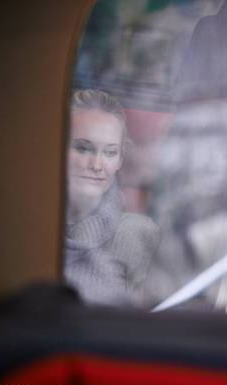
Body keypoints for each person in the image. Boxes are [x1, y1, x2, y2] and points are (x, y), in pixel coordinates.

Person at [64, 89, 160, 307]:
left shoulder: (135, 234)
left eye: (109, 152)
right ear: (57, 148)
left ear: (119, 160)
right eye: (83, 148)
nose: (97, 165)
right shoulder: (27, 227)